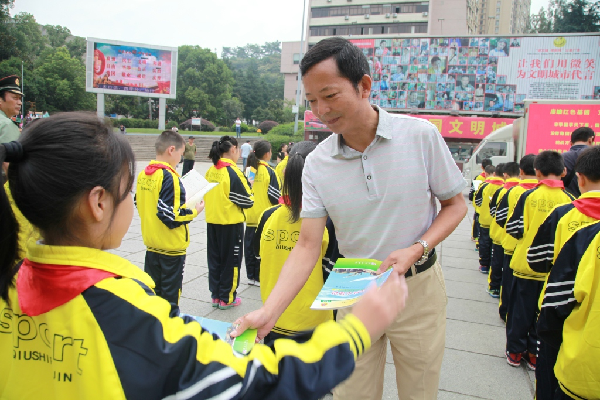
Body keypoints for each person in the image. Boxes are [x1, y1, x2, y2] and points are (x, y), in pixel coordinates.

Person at [0, 112, 411, 400]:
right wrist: (359, 329)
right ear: (98, 204)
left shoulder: (9, 280)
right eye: (127, 192)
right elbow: (257, 382)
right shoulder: (126, 316)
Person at [231, 37, 467, 400]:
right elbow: (308, 245)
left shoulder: (420, 136)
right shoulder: (317, 163)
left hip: (416, 288)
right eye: (311, 101)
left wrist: (417, 248)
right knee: (350, 393)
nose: (321, 110)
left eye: (329, 95)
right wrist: (269, 311)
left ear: (364, 85)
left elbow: (455, 205)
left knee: (419, 391)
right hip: (354, 288)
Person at [527, 146, 600, 400]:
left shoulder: (566, 213)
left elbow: (537, 260)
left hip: (573, 343)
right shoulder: (566, 201)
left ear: (579, 177)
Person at [255, 141, 341, 344]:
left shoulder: (267, 216)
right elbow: (333, 280)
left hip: (271, 318)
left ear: (285, 175)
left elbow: (258, 259)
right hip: (314, 326)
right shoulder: (329, 223)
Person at [505, 151, 576, 370]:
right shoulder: (571, 201)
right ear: (563, 171)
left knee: (519, 311)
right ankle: (535, 354)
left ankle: (515, 351)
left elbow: (514, 229)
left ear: (536, 172)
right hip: (552, 273)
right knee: (542, 313)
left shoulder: (529, 196)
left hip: (525, 266)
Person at [136, 131, 203, 305]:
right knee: (170, 298)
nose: (180, 159)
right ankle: (168, 330)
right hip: (171, 247)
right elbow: (170, 216)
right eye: (180, 155)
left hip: (152, 244)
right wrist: (194, 211)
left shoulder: (145, 174)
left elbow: (139, 202)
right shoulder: (169, 176)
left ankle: (153, 330)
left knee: (153, 295)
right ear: (171, 150)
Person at [204, 136, 254, 309]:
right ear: (233, 149)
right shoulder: (233, 172)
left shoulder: (212, 170)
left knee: (215, 260)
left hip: (212, 222)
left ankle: (216, 296)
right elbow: (248, 200)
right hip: (230, 225)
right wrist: (250, 185)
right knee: (231, 262)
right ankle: (227, 297)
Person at [495, 155, 538, 322]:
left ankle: (506, 312)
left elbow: (499, 216)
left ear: (521, 171)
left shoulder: (512, 191)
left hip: (513, 247)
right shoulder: (565, 196)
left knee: (510, 285)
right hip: (545, 257)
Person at [244, 140, 281, 286]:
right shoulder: (269, 171)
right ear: (267, 154)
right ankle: (259, 277)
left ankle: (250, 276)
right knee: (261, 248)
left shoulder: (249, 170)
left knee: (249, 247)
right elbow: (275, 196)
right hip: (264, 218)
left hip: (249, 215)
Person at [487, 163, 520, 298]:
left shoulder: (503, 191)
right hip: (521, 242)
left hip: (502, 236)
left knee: (497, 263)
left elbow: (494, 212)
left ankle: (495, 287)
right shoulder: (527, 192)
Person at [474, 165, 501, 274]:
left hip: (485, 220)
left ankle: (484, 265)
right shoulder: (505, 189)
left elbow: (477, 201)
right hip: (498, 224)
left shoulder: (484, 186)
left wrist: (482, 210)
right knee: (496, 247)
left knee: (484, 242)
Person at [562, 126, 595, 197]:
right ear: (590, 140)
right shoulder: (596, 156)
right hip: (592, 202)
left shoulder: (561, 157)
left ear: (570, 143)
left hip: (568, 201)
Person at [469, 158, 492, 248]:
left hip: (479, 206)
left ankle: (475, 236)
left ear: (482, 167)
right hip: (490, 208)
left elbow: (474, 191)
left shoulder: (478, 177)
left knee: (477, 221)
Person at [0, 75, 23, 145]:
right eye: (15, 98)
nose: (20, 103)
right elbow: (10, 154)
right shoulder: (6, 124)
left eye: (20, 99)